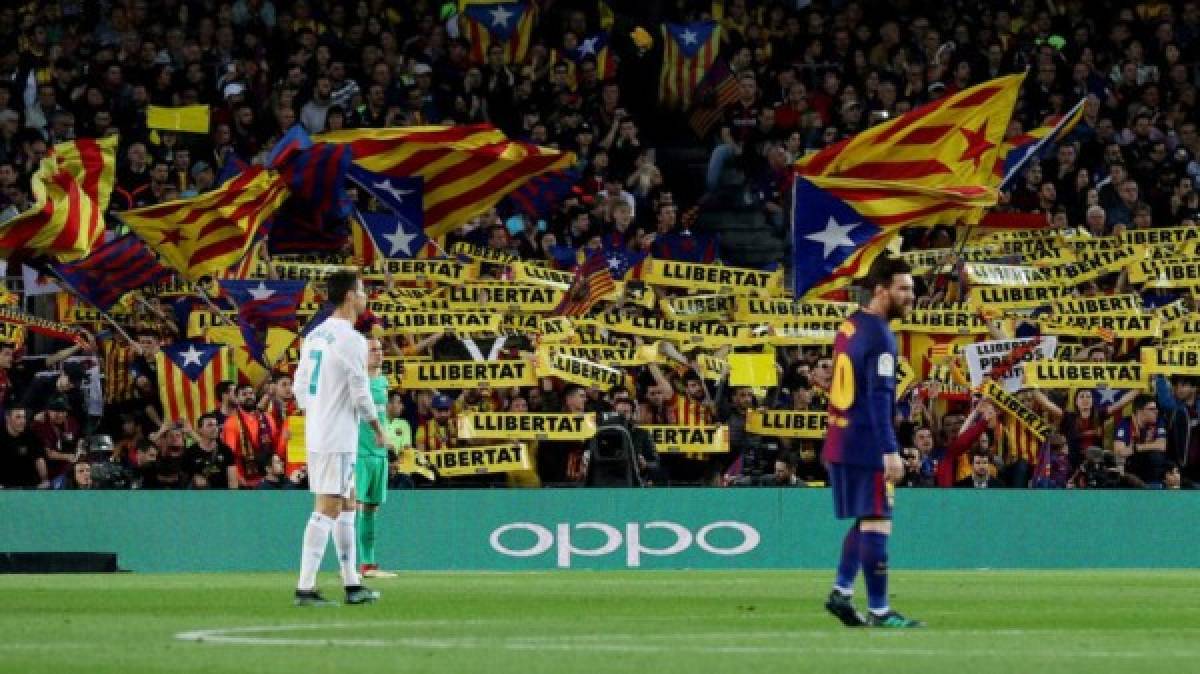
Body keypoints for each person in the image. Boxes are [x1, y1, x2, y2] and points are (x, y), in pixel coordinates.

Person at [822, 256, 923, 629]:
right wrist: (890, 451)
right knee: (879, 521)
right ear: (881, 290)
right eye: (903, 289)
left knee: (867, 517)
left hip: (840, 438)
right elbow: (880, 400)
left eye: (911, 289)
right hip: (865, 444)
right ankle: (880, 611)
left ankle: (842, 591)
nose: (910, 296)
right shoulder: (881, 336)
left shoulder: (851, 324)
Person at [291, 270, 391, 607]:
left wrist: (318, 412)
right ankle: (305, 588)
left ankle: (352, 584)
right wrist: (378, 428)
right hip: (337, 436)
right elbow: (360, 391)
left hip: (322, 431)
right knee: (327, 508)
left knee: (348, 504)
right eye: (362, 292)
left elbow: (299, 387)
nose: (365, 298)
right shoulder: (351, 338)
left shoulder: (315, 335)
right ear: (350, 296)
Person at [357, 338, 397, 579]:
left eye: (380, 349)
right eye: (373, 350)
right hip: (359, 452)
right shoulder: (356, 381)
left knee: (372, 508)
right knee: (352, 507)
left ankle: (368, 564)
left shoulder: (383, 382)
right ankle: (350, 563)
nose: (378, 353)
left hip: (379, 453)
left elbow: (382, 418)